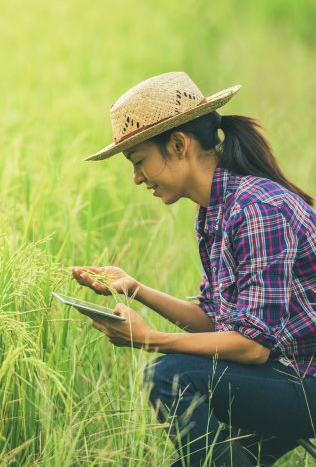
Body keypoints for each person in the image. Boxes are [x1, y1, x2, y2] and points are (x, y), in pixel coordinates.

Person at [70, 72, 316, 466]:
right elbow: (215, 323)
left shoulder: (258, 210)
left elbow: (252, 347)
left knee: (167, 375)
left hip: (303, 378)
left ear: (179, 144)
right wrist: (135, 289)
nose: (136, 178)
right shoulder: (215, 212)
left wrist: (149, 339)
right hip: (286, 376)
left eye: (138, 161)